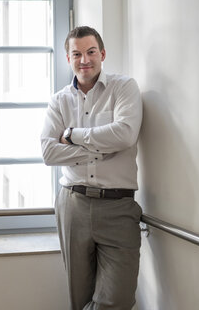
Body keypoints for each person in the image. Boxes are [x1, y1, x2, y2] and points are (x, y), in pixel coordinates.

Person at [41, 26, 143, 310]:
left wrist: (73, 135)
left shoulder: (123, 88)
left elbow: (124, 135)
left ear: (103, 54)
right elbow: (48, 152)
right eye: (77, 54)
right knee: (79, 297)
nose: (84, 60)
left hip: (118, 207)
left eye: (90, 52)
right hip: (72, 204)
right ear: (68, 58)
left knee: (117, 300)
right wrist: (100, 150)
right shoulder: (59, 101)